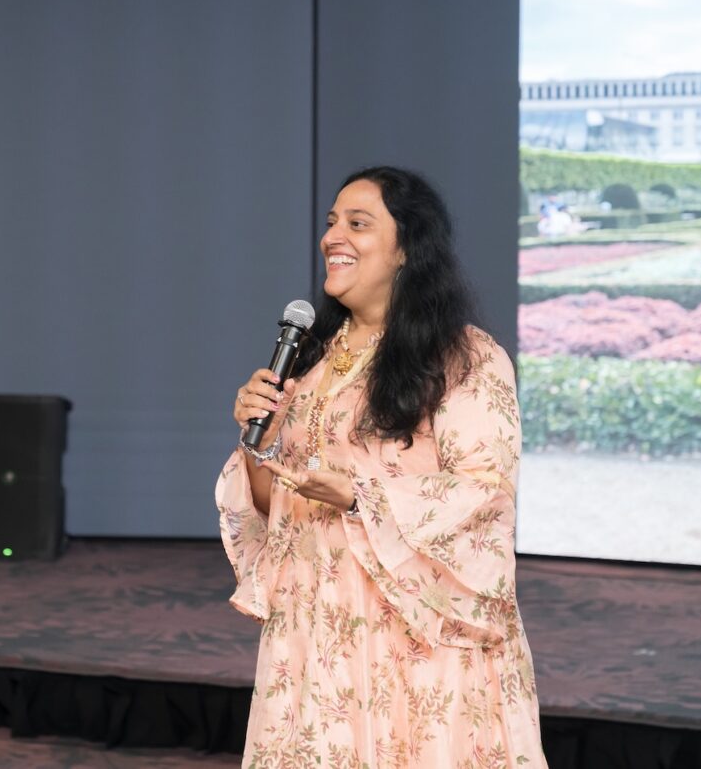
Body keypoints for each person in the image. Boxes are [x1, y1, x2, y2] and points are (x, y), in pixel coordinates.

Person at [216, 167, 547, 767]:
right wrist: (257, 440)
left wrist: (358, 495)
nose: (332, 237)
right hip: (316, 628)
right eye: (331, 222)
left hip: (416, 633)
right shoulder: (310, 358)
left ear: (406, 249)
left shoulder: (465, 358)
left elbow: (485, 492)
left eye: (358, 223)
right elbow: (273, 505)